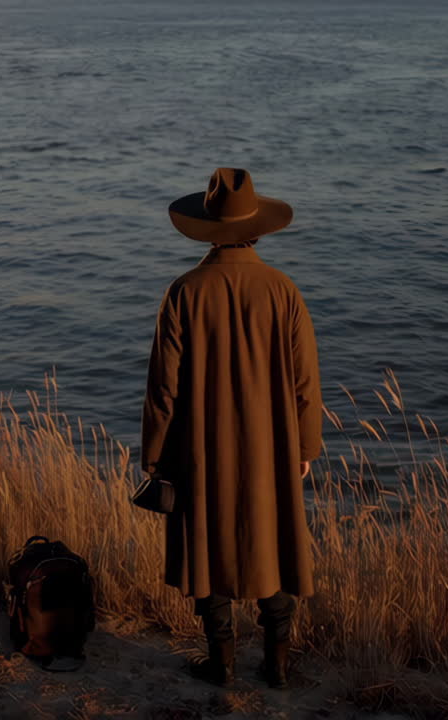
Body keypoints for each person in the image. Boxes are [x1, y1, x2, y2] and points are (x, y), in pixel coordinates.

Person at [141, 167, 324, 689]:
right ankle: (278, 665)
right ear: (257, 229)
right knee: (274, 543)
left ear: (205, 229)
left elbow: (163, 387)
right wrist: (306, 446)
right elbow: (305, 381)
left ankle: (220, 664)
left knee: (208, 543)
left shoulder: (183, 292)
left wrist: (153, 454)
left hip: (198, 448)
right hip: (272, 447)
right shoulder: (283, 290)